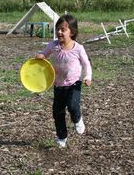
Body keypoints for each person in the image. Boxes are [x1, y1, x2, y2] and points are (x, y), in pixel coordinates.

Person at [35, 14, 92, 148]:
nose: (59, 32)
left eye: (63, 29)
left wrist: (88, 77)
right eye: (58, 29)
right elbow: (45, 54)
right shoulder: (53, 45)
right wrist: (41, 56)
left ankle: (77, 119)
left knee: (72, 106)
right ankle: (62, 137)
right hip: (58, 85)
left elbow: (86, 64)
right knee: (57, 112)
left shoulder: (78, 48)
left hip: (74, 84)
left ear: (72, 32)